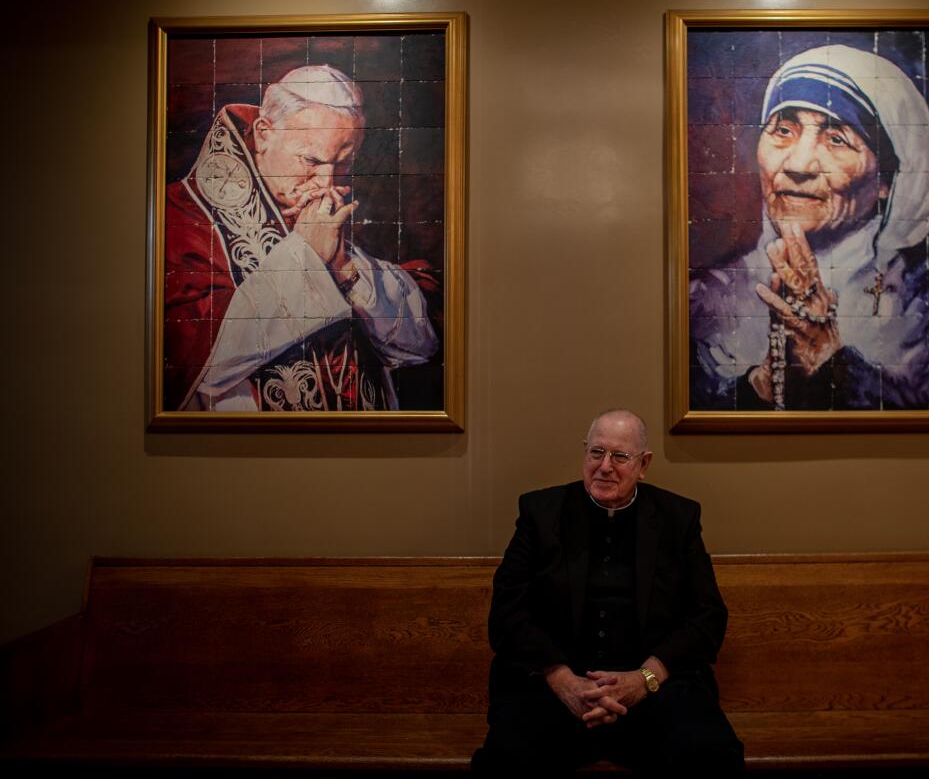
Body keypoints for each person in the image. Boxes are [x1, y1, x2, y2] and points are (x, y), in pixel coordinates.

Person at [689, 45, 929, 411]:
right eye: (783, 129)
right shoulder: (703, 299)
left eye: (836, 138)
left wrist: (833, 364)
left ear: (889, 178)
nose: (798, 164)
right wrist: (761, 385)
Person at [473, 409, 744, 776]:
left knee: (712, 755)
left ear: (644, 464)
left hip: (656, 694)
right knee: (506, 761)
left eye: (619, 456)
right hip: (552, 691)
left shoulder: (677, 519)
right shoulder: (540, 513)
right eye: (596, 452)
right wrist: (564, 681)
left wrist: (644, 679)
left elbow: (707, 617)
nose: (604, 466)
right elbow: (507, 615)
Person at [164, 64, 439, 411]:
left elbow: (417, 346)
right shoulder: (181, 215)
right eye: (310, 159)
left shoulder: (337, 208)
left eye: (344, 162)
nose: (327, 183)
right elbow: (197, 361)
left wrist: (343, 268)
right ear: (264, 133)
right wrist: (306, 253)